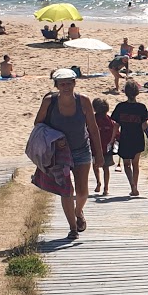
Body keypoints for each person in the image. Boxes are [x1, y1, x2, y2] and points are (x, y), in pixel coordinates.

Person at [35, 69, 100, 237]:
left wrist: (99, 155)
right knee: (66, 191)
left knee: (83, 191)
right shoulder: (49, 102)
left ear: (74, 84)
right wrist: (56, 138)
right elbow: (38, 124)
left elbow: (93, 128)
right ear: (56, 85)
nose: (66, 87)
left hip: (81, 149)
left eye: (69, 83)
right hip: (59, 153)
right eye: (62, 84)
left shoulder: (83, 101)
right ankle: (72, 228)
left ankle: (78, 212)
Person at [111, 79, 148, 196]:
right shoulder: (141, 107)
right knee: (135, 164)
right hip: (138, 138)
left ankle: (132, 186)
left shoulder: (120, 107)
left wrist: (112, 139)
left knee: (127, 164)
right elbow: (144, 126)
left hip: (125, 137)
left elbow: (116, 125)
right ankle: (135, 186)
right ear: (137, 93)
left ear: (126, 93)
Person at [90, 97, 117, 196]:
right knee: (106, 168)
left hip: (95, 147)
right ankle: (105, 187)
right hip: (106, 147)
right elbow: (115, 131)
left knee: (95, 166)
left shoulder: (93, 119)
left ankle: (99, 182)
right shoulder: (108, 119)